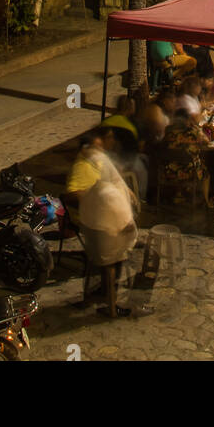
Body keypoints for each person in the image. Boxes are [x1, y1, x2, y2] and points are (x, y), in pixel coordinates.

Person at [64, 126, 139, 317]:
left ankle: (106, 291)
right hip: (97, 225)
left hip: (104, 220)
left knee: (120, 244)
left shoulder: (100, 162)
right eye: (97, 145)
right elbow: (71, 193)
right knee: (117, 252)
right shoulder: (83, 167)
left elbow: (115, 177)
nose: (101, 149)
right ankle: (109, 298)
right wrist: (93, 199)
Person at [156, 108, 211, 207]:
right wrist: (195, 127)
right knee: (205, 171)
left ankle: (179, 194)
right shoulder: (194, 131)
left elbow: (164, 145)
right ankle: (206, 201)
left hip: (168, 171)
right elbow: (207, 142)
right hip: (190, 172)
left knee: (177, 163)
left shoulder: (168, 130)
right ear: (187, 119)